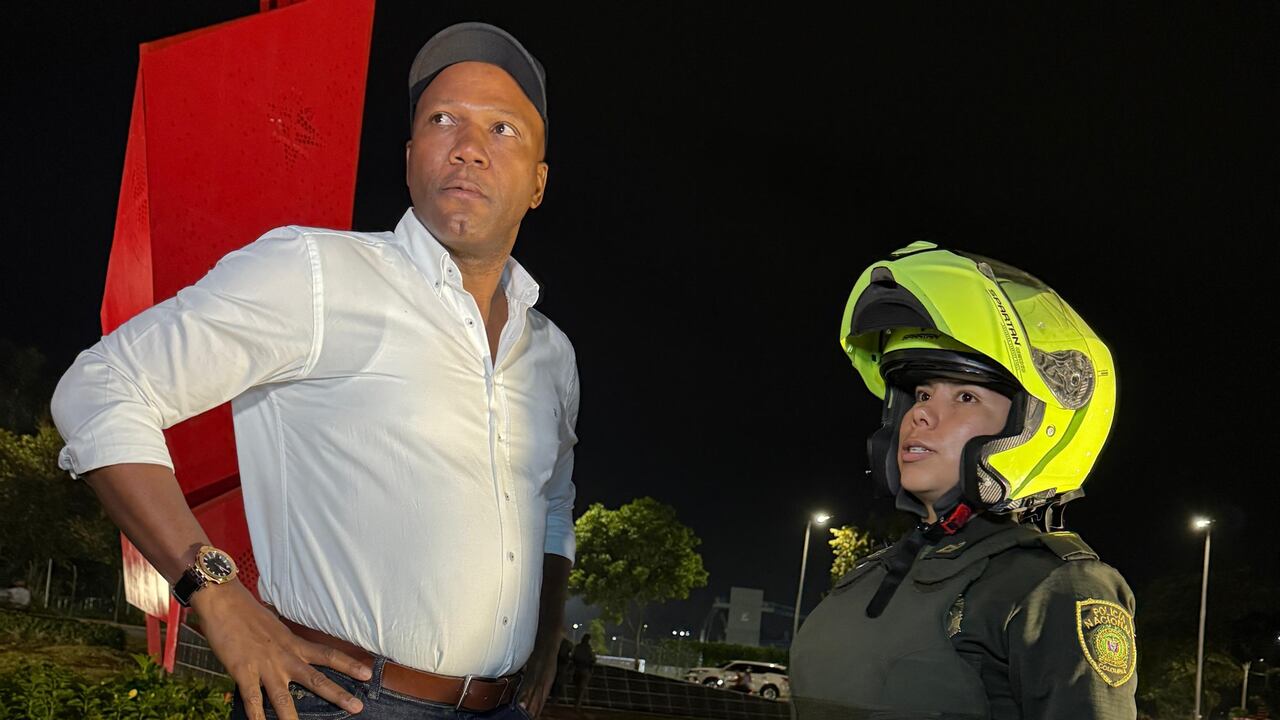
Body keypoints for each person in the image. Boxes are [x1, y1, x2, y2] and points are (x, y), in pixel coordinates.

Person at [51, 21, 578, 720]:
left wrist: (544, 640)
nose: (469, 149)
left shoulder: (551, 353)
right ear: (412, 154)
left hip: (501, 707)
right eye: (442, 119)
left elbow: (554, 505)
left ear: (538, 183)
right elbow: (98, 389)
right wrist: (213, 589)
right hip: (341, 701)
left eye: (503, 129)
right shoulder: (317, 275)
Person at [789, 243, 1135, 719]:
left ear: (1035, 425)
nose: (922, 413)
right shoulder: (873, 574)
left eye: (966, 396)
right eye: (922, 392)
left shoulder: (1056, 586)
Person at [570, 634, 597, 710]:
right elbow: (593, 659)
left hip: (577, 669)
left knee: (576, 687)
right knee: (581, 688)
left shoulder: (578, 647)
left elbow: (572, 657)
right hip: (585, 670)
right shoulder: (589, 649)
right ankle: (577, 704)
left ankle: (576, 703)